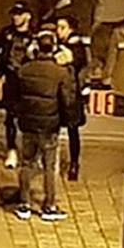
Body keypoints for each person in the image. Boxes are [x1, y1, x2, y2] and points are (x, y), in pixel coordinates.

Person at [12, 31, 76, 222]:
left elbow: (16, 97)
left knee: (26, 163)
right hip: (49, 126)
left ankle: (24, 203)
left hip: (28, 125)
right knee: (50, 166)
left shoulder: (24, 70)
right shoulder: (60, 73)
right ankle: (49, 205)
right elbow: (67, 100)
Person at [0, 1, 36, 169]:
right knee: (10, 116)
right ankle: (11, 149)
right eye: (14, 14)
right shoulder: (6, 33)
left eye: (19, 14)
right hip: (10, 78)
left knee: (30, 118)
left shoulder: (34, 36)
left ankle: (31, 153)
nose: (16, 17)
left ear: (27, 16)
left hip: (29, 80)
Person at [55, 15, 90, 181]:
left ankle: (73, 163)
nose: (58, 31)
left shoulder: (75, 48)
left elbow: (77, 65)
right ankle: (71, 163)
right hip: (66, 94)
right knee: (70, 130)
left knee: (71, 130)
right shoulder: (63, 46)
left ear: (71, 29)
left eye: (62, 27)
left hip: (70, 94)